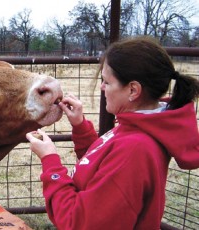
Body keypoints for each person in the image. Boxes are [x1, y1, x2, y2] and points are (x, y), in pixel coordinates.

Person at [26, 36, 199, 229]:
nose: (102, 87)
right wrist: (80, 126)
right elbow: (103, 170)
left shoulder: (135, 149)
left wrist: (50, 160)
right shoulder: (138, 126)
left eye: (107, 82)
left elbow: (78, 223)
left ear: (133, 90)